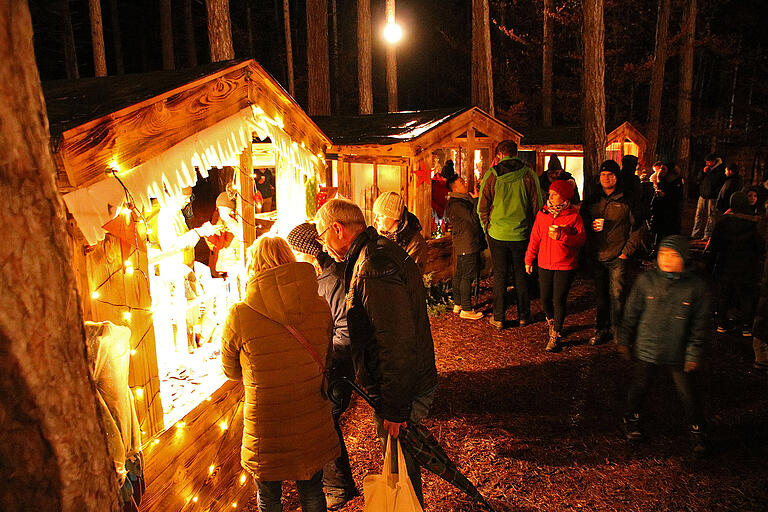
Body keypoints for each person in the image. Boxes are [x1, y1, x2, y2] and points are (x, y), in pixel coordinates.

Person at [314, 198, 437, 506]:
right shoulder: (376, 253)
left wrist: (395, 408)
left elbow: (395, 341)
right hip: (402, 384)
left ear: (338, 229)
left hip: (401, 390)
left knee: (402, 475)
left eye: (322, 235)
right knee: (401, 470)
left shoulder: (372, 267)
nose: (323, 245)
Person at [221, 236, 339, 512]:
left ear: (254, 265)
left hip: (267, 424)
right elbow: (327, 356)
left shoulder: (240, 314)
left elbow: (230, 371)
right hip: (311, 414)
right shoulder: (319, 305)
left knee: (270, 498)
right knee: (312, 492)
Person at [286, 223, 359, 510]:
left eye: (296, 252)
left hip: (338, 364)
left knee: (325, 426)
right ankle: (342, 485)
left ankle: (338, 488)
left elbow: (345, 331)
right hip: (334, 362)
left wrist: (329, 362)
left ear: (308, 252)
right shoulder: (324, 276)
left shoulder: (331, 281)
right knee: (327, 425)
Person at [617, 236, 710, 454]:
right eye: (662, 254)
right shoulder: (647, 281)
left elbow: (700, 324)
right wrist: (624, 339)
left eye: (673, 255)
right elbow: (632, 312)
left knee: (688, 393)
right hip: (648, 346)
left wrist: (693, 353)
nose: (666, 259)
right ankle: (631, 418)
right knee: (640, 385)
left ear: (684, 257)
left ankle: (697, 430)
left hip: (678, 350)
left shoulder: (695, 287)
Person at [478, 140, 543, 329]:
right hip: (521, 234)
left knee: (500, 275)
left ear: (499, 154)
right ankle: (524, 316)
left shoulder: (492, 175)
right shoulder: (529, 175)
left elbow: (482, 206)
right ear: (516, 153)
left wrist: (487, 229)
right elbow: (537, 205)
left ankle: (499, 317)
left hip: (497, 233)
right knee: (521, 274)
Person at [581, 159, 643, 345]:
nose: (606, 178)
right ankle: (602, 329)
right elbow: (582, 221)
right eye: (603, 174)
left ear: (617, 177)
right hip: (597, 253)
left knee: (617, 294)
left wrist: (627, 251)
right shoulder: (593, 199)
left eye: (610, 174)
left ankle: (619, 330)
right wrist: (589, 228)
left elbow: (638, 227)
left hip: (618, 255)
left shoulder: (627, 199)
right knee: (601, 295)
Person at [524, 179, 586, 352]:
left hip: (565, 264)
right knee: (544, 298)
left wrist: (563, 237)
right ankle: (552, 322)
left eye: (554, 194)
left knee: (559, 299)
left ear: (564, 197)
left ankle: (556, 334)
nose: (550, 197)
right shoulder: (543, 214)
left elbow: (581, 239)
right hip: (544, 263)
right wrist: (529, 258)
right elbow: (535, 238)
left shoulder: (574, 216)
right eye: (550, 193)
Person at [706, 192, 765, 336]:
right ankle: (746, 325)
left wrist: (709, 265)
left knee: (724, 294)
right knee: (745, 295)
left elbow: (714, 246)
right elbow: (760, 247)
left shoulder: (723, 223)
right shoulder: (754, 223)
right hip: (747, 267)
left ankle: (721, 322)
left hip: (725, 265)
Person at [444, 172, 485, 320]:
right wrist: (476, 201)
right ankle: (466, 309)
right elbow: (474, 218)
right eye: (461, 182)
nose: (465, 183)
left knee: (460, 274)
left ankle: (458, 304)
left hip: (464, 242)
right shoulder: (457, 204)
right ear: (454, 188)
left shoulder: (459, 201)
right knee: (466, 276)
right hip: (467, 243)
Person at [372, 191, 428, 271]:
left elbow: (411, 278)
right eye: (376, 215)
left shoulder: (415, 244)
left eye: (381, 215)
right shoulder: (378, 238)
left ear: (395, 216)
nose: (375, 219)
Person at [691, 154, 726, 240]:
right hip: (703, 195)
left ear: (714, 161)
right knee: (698, 215)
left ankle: (707, 235)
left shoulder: (720, 169)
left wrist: (708, 173)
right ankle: (695, 233)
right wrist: (703, 172)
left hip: (712, 196)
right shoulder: (705, 168)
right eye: (707, 162)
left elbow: (715, 181)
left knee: (711, 215)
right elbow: (698, 180)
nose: (708, 164)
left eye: (709, 162)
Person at [649, 162, 684, 246]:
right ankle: (656, 247)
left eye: (663, 168)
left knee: (669, 230)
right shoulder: (661, 177)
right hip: (661, 209)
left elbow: (678, 195)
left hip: (671, 209)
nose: (661, 170)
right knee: (659, 230)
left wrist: (666, 195)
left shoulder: (676, 180)